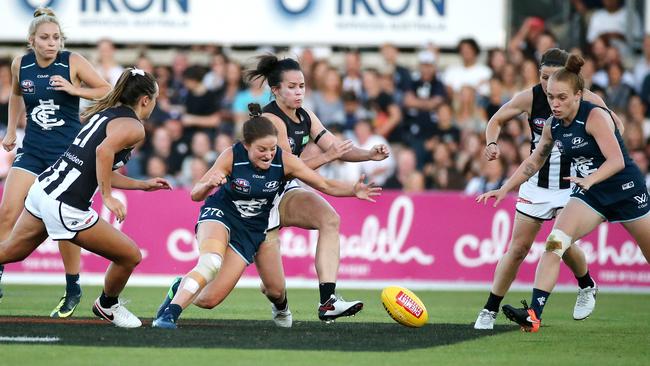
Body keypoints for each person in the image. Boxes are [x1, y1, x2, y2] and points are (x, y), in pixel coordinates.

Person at [185, 55, 389, 327]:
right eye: (292, 87)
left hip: (283, 190)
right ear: (276, 90)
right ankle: (186, 288)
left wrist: (367, 155)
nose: (299, 92)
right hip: (260, 197)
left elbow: (334, 145)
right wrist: (328, 157)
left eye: (302, 86)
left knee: (329, 219)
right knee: (265, 291)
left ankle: (328, 301)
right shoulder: (272, 120)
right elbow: (286, 167)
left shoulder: (305, 115)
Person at [151, 103, 380, 329]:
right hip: (221, 213)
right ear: (246, 145)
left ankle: (178, 287)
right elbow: (195, 194)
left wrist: (353, 190)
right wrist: (208, 184)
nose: (269, 154)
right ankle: (169, 315)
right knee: (210, 261)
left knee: (210, 300)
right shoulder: (231, 155)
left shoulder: (284, 160)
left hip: (253, 229)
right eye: (262, 149)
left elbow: (324, 184)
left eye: (272, 148)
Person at [479, 54, 650, 333]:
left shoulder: (594, 114)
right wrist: (504, 188)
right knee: (555, 244)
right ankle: (534, 314)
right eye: (550, 97)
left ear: (578, 95)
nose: (554, 104)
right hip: (590, 193)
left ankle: (585, 287)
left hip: (625, 190)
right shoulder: (553, 125)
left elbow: (617, 160)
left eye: (561, 97)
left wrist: (590, 178)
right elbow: (534, 162)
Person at [0, 67, 170, 327]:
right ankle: (107, 305)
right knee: (130, 256)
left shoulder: (105, 115)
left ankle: (107, 304)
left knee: (11, 252)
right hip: (65, 204)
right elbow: (103, 153)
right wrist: (108, 197)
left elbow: (96, 166)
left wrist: (142, 185)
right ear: (145, 100)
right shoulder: (134, 127)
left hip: (43, 190)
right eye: (155, 99)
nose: (154, 105)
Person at [0, 7, 111, 315]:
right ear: (31, 40)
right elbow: (15, 95)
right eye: (45, 38)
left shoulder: (71, 61)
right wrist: (11, 130)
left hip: (68, 155)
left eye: (56, 38)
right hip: (33, 149)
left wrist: (75, 89)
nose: (52, 43)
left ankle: (72, 286)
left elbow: (106, 89)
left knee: (63, 221)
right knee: (8, 210)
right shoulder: (20, 64)